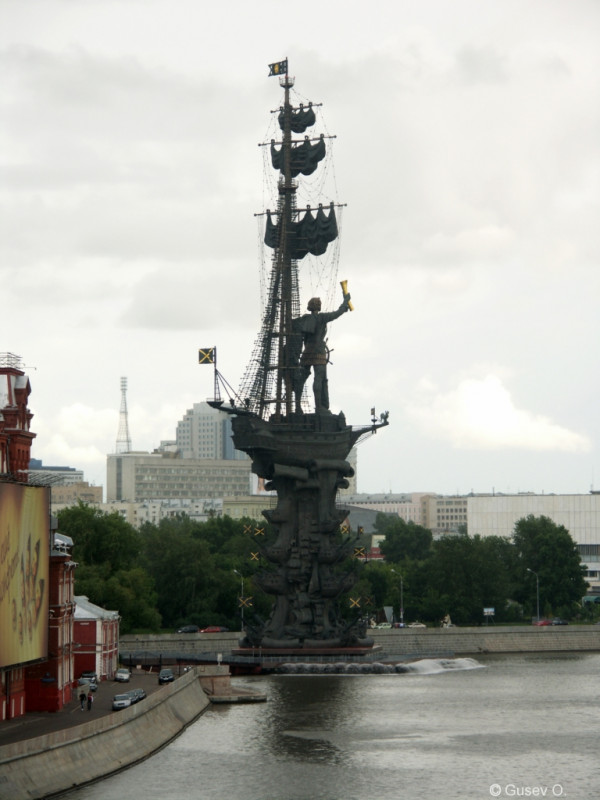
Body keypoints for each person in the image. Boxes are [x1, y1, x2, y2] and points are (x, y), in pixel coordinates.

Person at [292, 293, 351, 413]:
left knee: (301, 379)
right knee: (318, 378)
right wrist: (345, 302)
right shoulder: (322, 317)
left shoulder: (304, 319)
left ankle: (297, 406)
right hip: (319, 351)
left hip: (307, 352)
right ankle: (319, 407)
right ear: (318, 306)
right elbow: (336, 313)